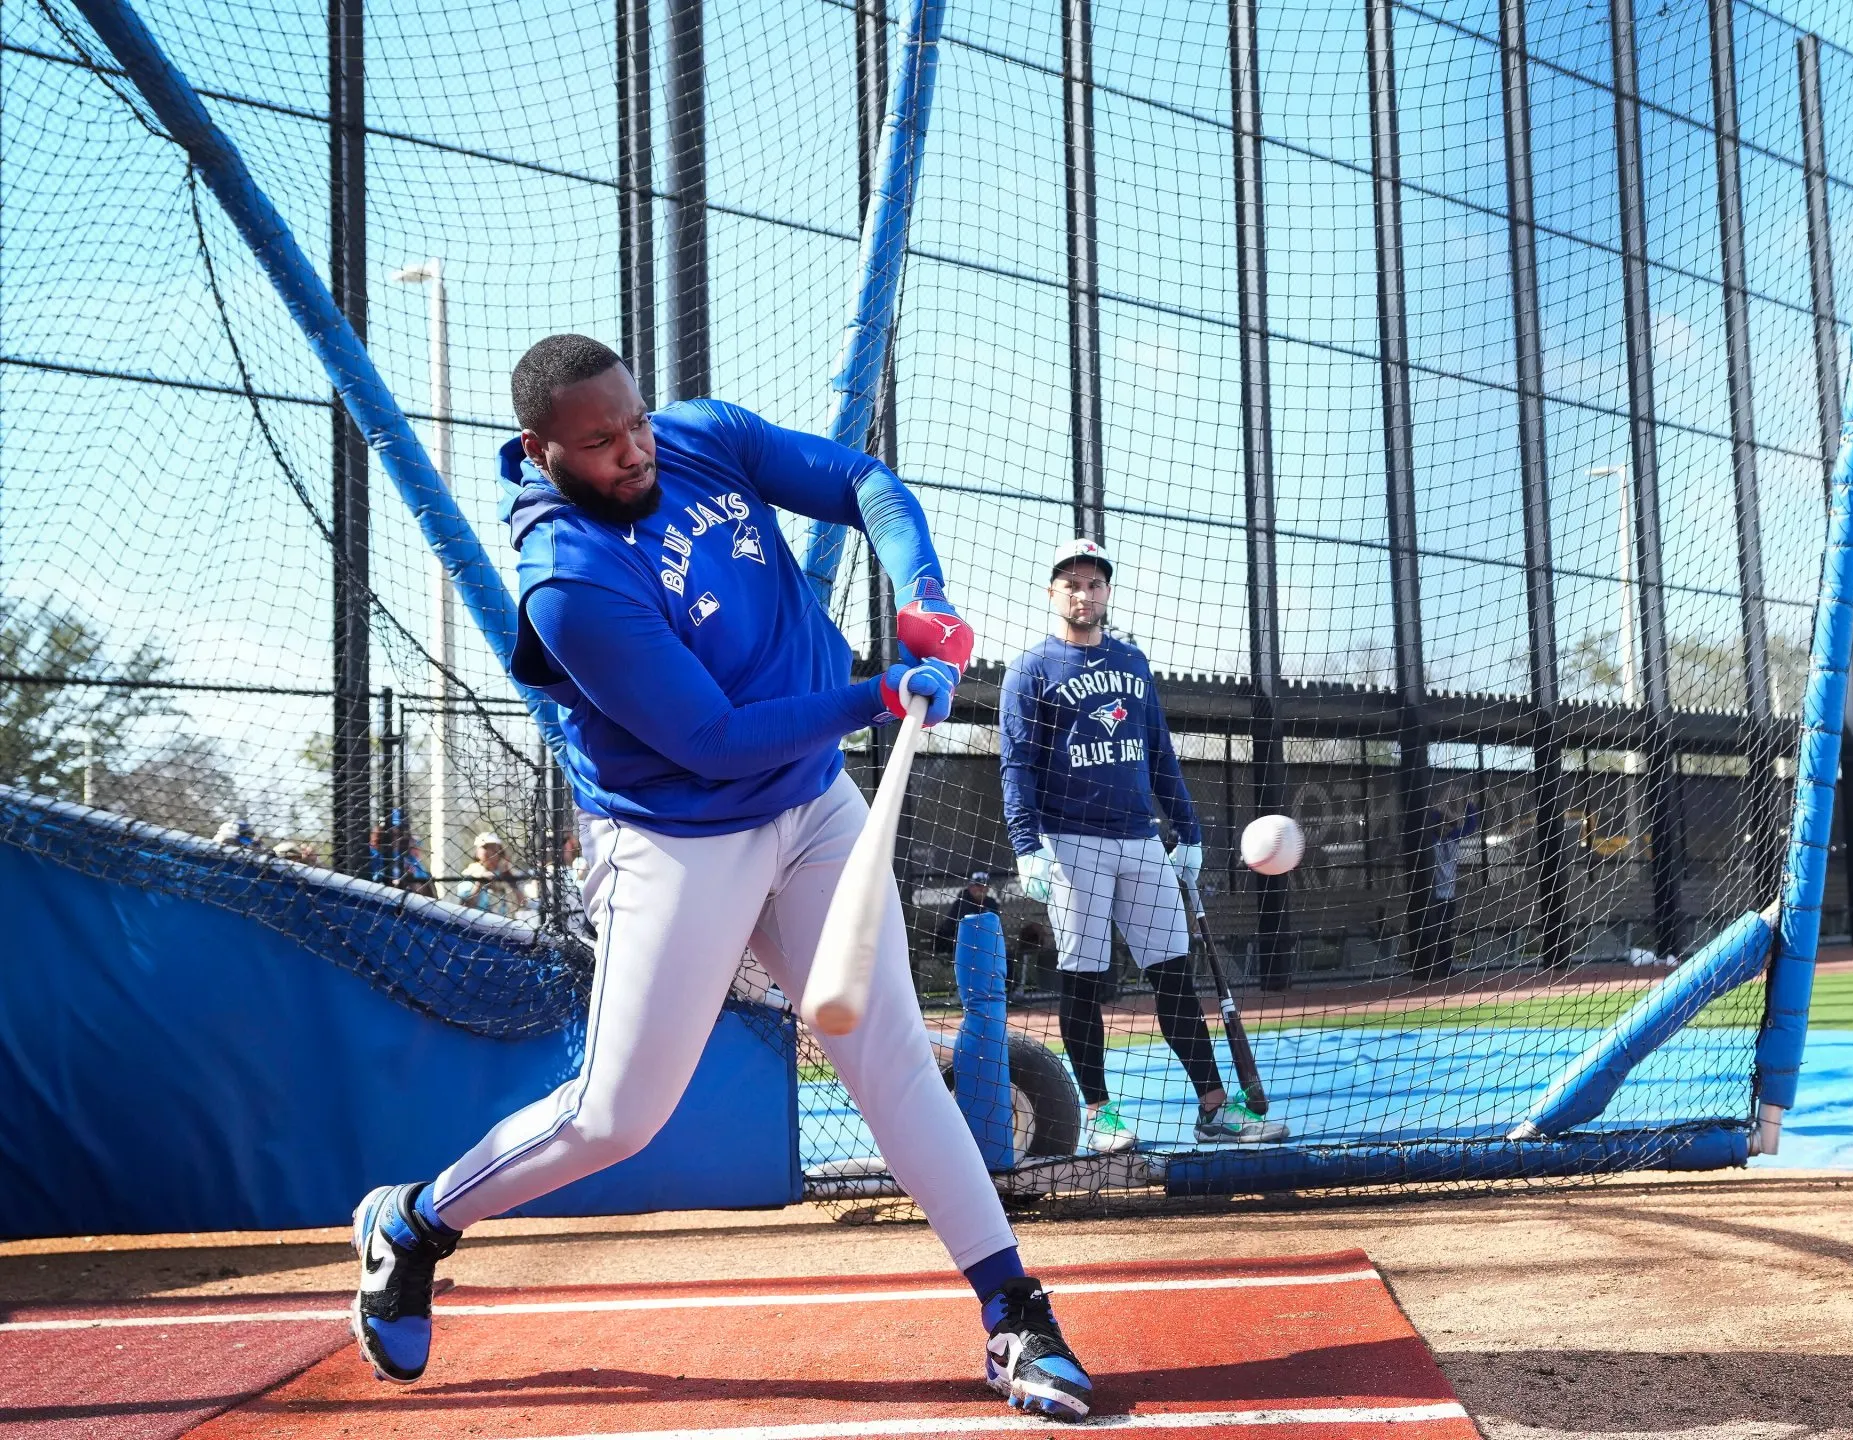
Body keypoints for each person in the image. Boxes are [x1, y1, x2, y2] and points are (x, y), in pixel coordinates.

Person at [346, 336, 1092, 1422]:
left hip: (813, 803)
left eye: (636, 422)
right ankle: (413, 1221)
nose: (634, 449)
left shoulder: (698, 438)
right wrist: (879, 694)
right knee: (617, 1118)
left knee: (888, 1057)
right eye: (601, 443)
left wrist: (919, 587)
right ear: (540, 451)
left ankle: (1014, 1312)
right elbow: (712, 737)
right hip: (678, 833)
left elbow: (860, 483)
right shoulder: (567, 580)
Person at [1000, 539, 1285, 1154]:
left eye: (1094, 582)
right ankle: (1100, 1113)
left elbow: (1159, 754)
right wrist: (1028, 844)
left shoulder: (1132, 663)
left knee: (1174, 975)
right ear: (1053, 593)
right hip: (1071, 842)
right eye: (1072, 583)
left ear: (1107, 592)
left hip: (1140, 839)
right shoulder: (1030, 670)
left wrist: (1189, 830)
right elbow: (1016, 765)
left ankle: (1214, 1108)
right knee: (1084, 977)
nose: (1084, 592)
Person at [1415, 800, 1480, 981]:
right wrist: (1440, 812)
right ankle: (1433, 966)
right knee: (1435, 932)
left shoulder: (1453, 838)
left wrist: (1469, 807)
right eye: (1444, 824)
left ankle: (1446, 966)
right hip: (1434, 896)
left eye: (1450, 825)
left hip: (1449, 896)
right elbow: (1431, 821)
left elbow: (1470, 826)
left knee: (1445, 932)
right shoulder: (1431, 840)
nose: (1447, 828)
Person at [454, 831, 533, 914]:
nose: (490, 852)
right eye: (485, 847)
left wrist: (511, 881)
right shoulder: (470, 873)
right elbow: (464, 906)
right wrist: (479, 883)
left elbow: (523, 904)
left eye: (494, 848)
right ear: (477, 852)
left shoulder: (506, 872)